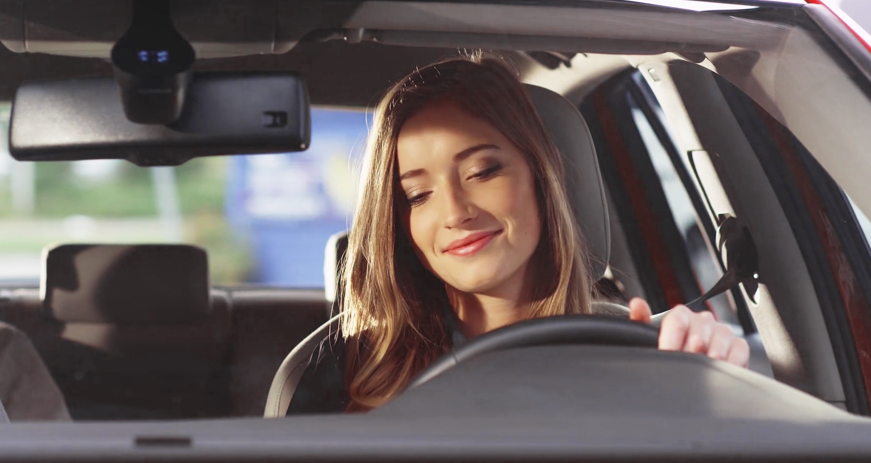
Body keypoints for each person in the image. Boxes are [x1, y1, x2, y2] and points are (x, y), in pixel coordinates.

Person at [287, 55, 749, 414]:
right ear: (398, 224)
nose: (455, 212)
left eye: (482, 171)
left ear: (541, 179)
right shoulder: (342, 375)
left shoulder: (643, 355)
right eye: (418, 195)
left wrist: (711, 389)